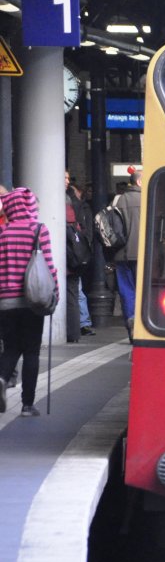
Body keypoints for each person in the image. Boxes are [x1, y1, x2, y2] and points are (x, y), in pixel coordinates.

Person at [0, 187, 59, 416]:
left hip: (5, 301)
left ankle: (3, 378)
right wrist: (54, 294)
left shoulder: (2, 233)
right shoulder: (38, 230)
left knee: (11, 347)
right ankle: (27, 405)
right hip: (32, 300)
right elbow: (49, 266)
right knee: (32, 351)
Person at [113, 170, 142, 338]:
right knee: (143, 292)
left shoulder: (118, 200)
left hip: (121, 254)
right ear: (139, 182)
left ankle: (131, 325)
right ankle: (142, 329)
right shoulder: (147, 198)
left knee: (127, 292)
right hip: (142, 255)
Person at [65, 172, 93, 342]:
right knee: (75, 293)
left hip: (68, 259)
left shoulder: (71, 204)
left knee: (74, 292)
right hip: (75, 258)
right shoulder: (77, 206)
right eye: (65, 178)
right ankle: (76, 329)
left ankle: (77, 327)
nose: (68, 181)